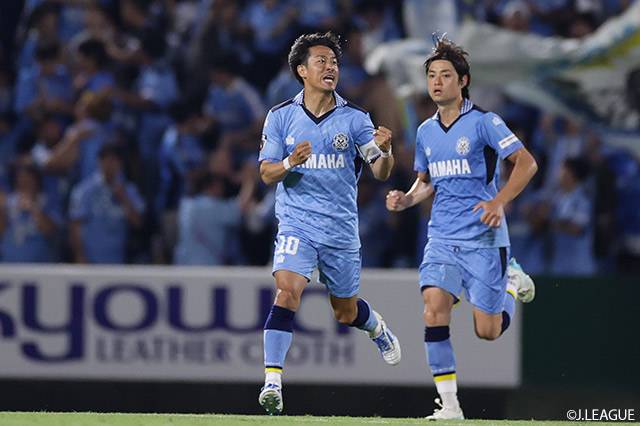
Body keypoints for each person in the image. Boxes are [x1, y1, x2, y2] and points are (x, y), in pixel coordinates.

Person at [385, 36, 537, 420]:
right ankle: (449, 405)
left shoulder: (486, 122)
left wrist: (498, 202)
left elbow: (527, 163)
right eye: (432, 76)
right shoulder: (425, 131)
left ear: (463, 81)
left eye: (445, 75)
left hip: (484, 238)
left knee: (488, 331)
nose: (437, 82)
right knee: (433, 309)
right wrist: (406, 199)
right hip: (442, 237)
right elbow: (426, 182)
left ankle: (510, 283)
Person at [257, 32, 401, 415]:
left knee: (345, 312)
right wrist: (289, 162)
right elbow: (267, 174)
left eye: (334, 62)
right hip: (297, 224)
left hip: (339, 230)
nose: (330, 67)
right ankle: (272, 382)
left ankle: (376, 327)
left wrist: (386, 151)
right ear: (301, 71)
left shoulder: (355, 119)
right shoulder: (281, 116)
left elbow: (381, 170)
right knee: (286, 291)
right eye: (321, 61)